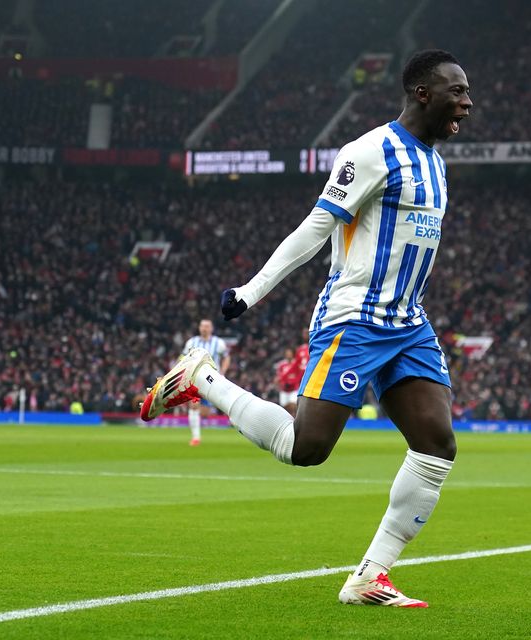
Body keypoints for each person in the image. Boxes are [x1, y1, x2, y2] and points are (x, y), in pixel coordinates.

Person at [141, 49, 471, 606]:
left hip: (408, 323)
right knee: (306, 447)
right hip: (356, 318)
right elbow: (315, 229)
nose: (467, 101)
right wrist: (249, 292)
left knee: (437, 445)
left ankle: (369, 577)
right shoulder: (369, 152)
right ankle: (203, 376)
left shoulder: (436, 164)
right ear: (422, 93)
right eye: (457, 90)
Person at [180, 318, 230, 446]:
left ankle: (201, 417)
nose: (204, 328)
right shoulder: (192, 342)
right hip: (194, 379)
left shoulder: (218, 343)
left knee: (206, 412)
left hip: (212, 380)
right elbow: (183, 357)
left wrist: (223, 371)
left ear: (211, 329)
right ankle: (196, 438)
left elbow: (226, 357)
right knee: (193, 405)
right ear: (199, 327)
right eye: (202, 326)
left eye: (207, 326)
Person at [275, 347, 302, 416]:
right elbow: (279, 377)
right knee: (284, 409)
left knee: (294, 406)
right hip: (284, 390)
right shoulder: (281, 365)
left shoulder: (296, 364)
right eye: (287, 354)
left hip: (294, 389)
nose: (288, 355)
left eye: (290, 353)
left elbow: (299, 375)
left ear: (293, 354)